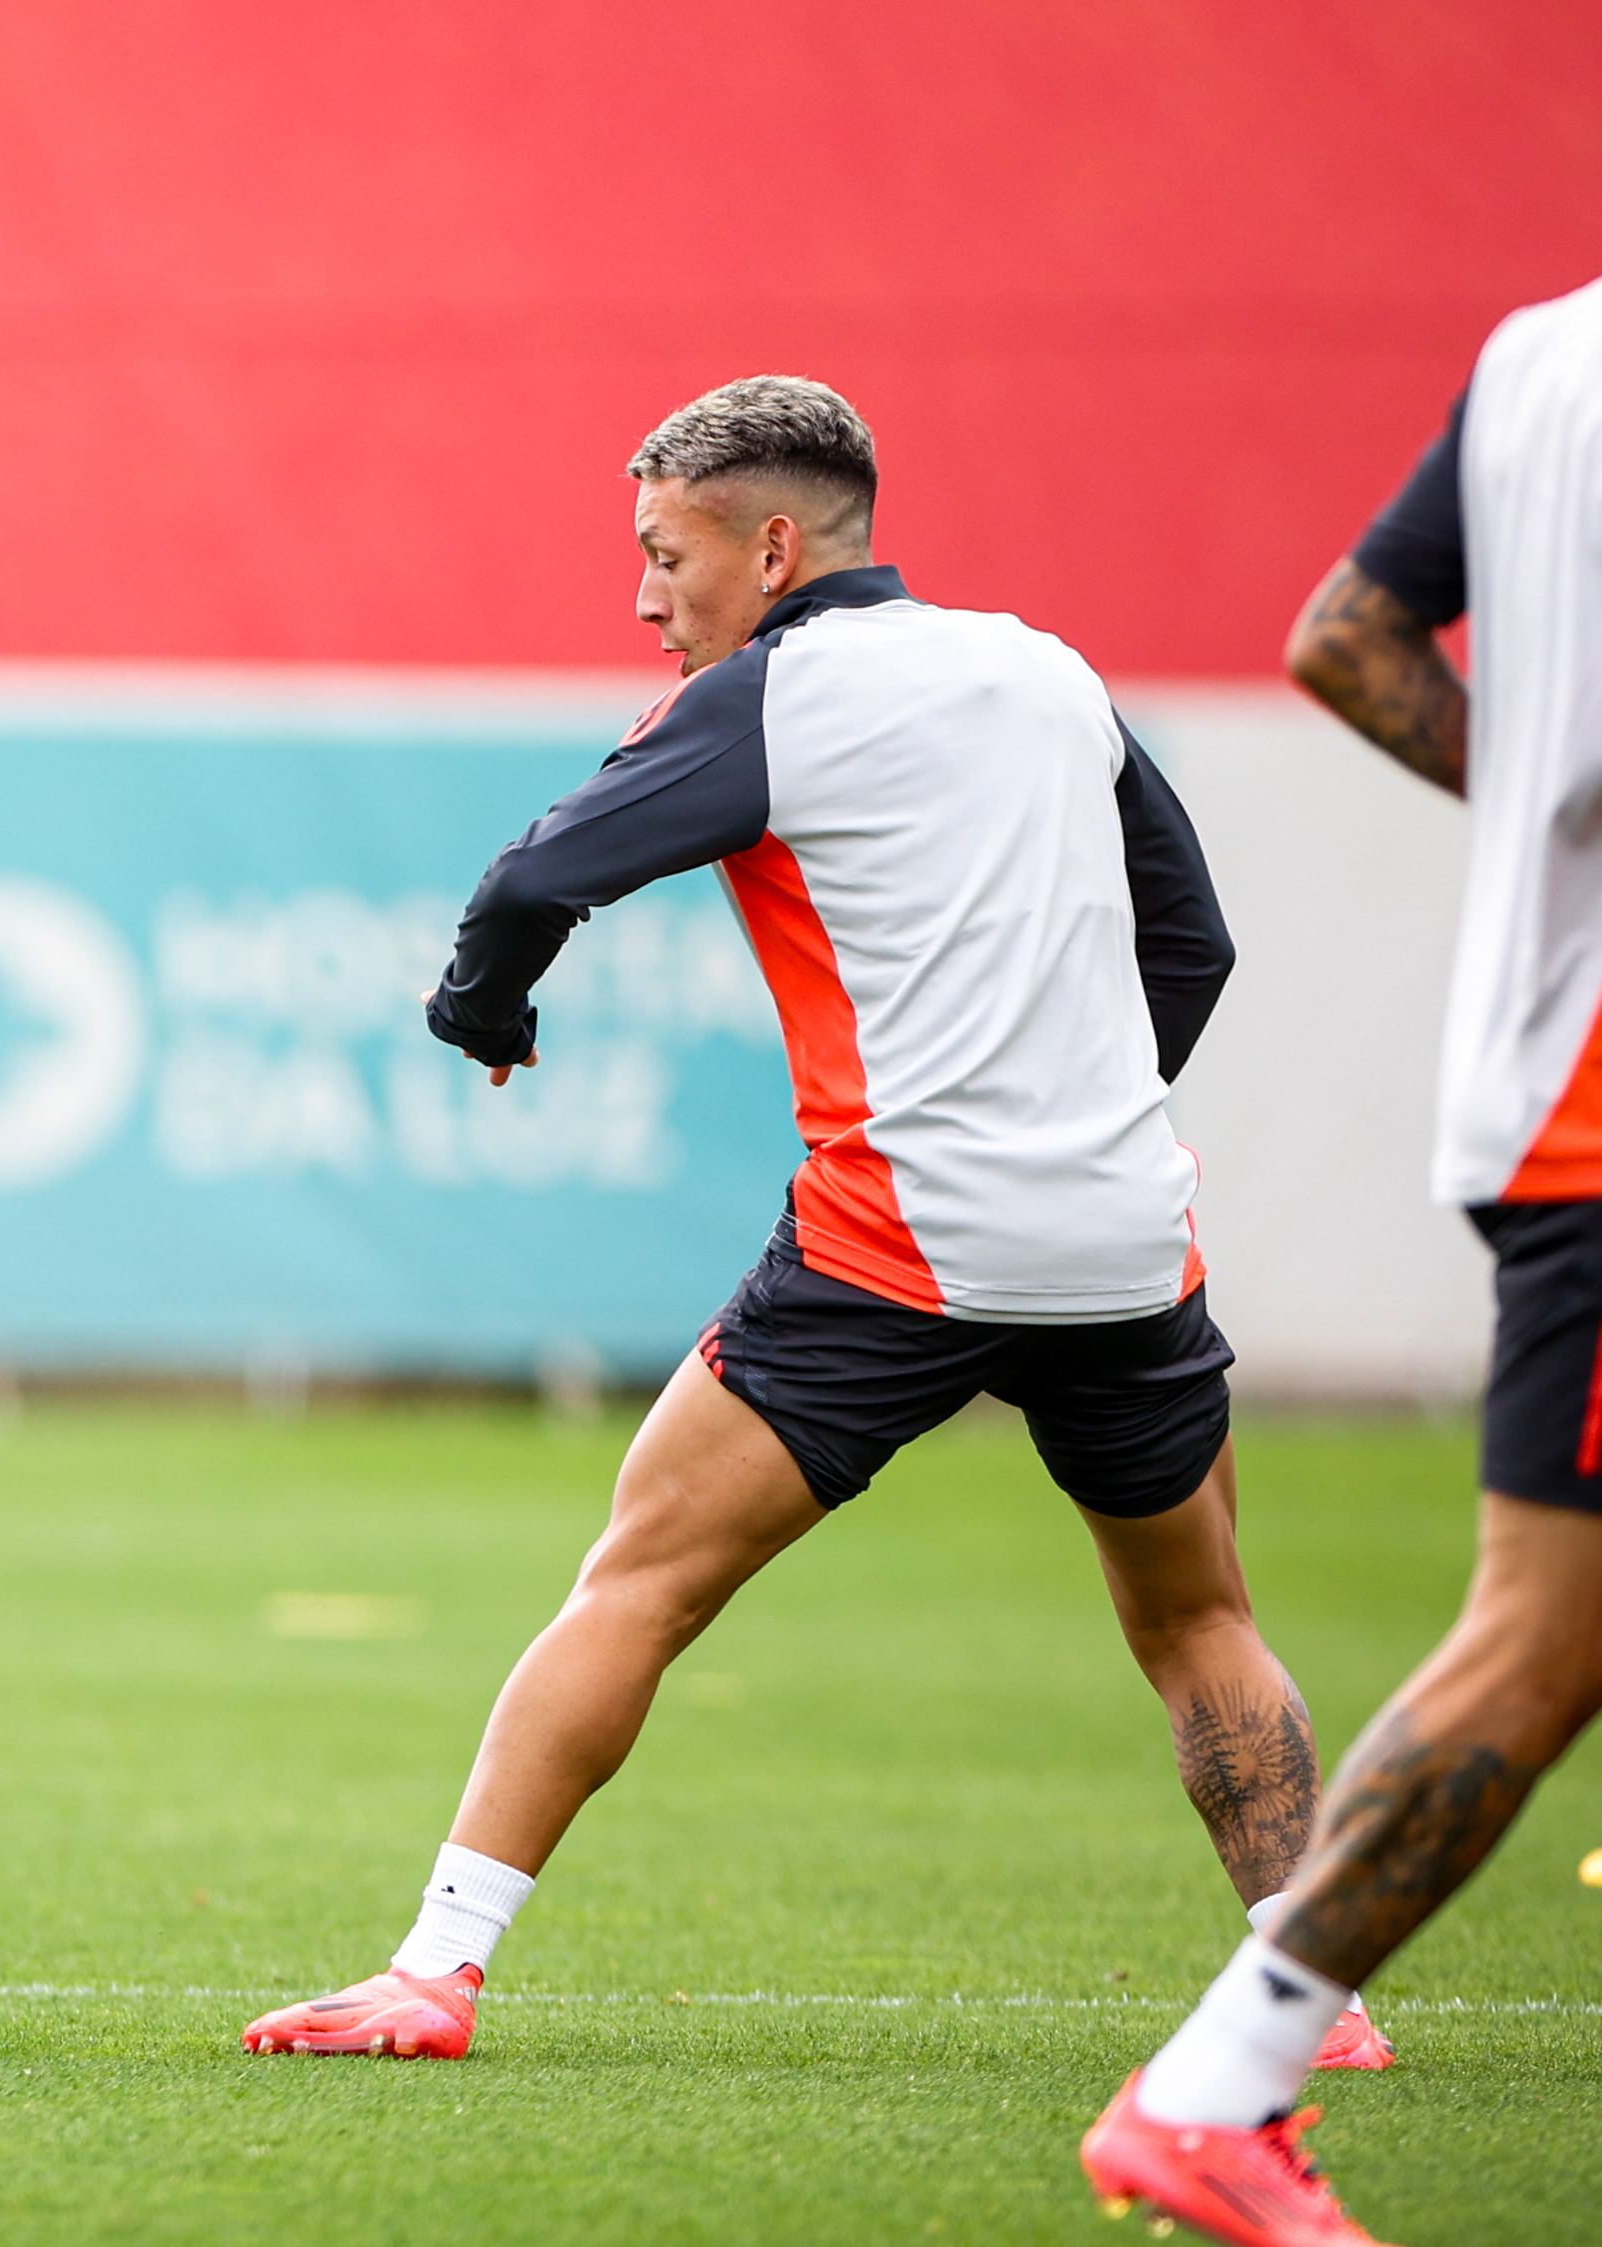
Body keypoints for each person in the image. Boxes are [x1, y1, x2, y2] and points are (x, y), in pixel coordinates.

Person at [243, 377, 1390, 2078]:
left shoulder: (768, 694)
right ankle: (1319, 2007)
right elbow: (1195, 941)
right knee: (1202, 1624)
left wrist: (481, 1014)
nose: (647, 597)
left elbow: (535, 878)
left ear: (773, 550)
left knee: (639, 1580)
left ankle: (435, 1972)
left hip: (895, 1247)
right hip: (1121, 1240)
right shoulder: (1050, 671)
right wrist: (1070, 1117)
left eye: (667, 555)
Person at [1077, 275, 1602, 2247]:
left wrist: (1544, 828)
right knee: (1544, 1638)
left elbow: (1346, 637)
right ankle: (1218, 2084)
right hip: (1592, 1102)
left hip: (1547, 1062)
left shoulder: (1539, 357)